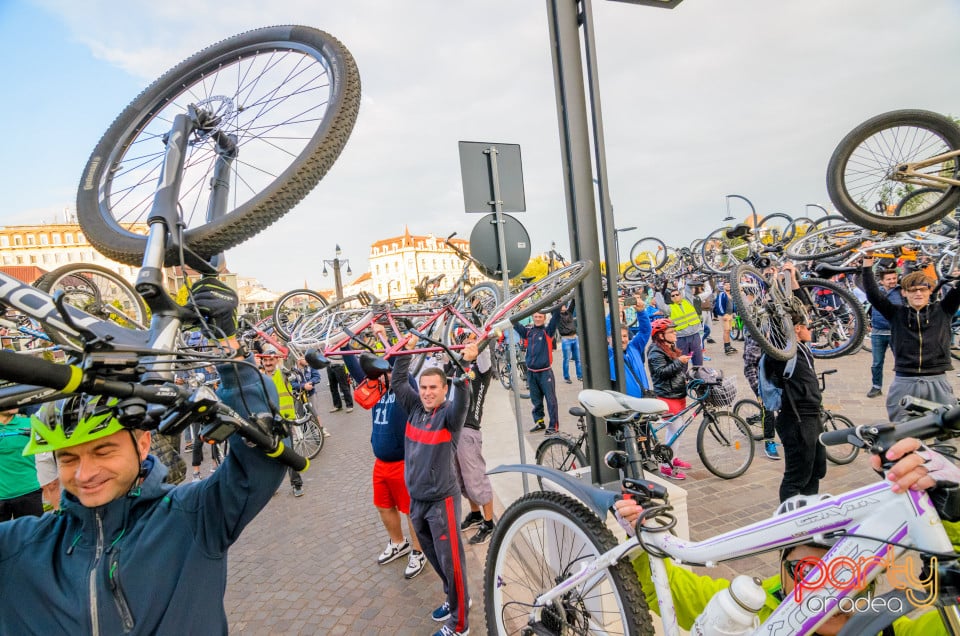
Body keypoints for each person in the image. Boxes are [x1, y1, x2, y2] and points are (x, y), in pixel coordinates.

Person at [0, 276, 292, 634]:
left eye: (102, 450)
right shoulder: (21, 545)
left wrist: (228, 344)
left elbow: (260, 462)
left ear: (141, 444)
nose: (84, 474)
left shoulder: (193, 516)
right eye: (69, 459)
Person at [613, 436, 959, 636]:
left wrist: (952, 511)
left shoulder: (893, 627)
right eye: (808, 572)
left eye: (845, 572)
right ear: (782, 571)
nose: (826, 592)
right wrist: (642, 546)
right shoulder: (750, 605)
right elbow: (671, 590)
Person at [392, 334, 475, 636]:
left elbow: (463, 390)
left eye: (433, 388)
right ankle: (456, 599)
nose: (426, 393)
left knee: (452, 563)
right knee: (435, 558)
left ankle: (460, 624)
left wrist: (465, 361)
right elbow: (399, 383)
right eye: (423, 387)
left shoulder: (450, 416)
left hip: (443, 502)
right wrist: (405, 350)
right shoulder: (415, 408)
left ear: (443, 390)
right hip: (418, 501)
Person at [343, 323, 426, 580]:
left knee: (410, 510)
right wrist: (345, 339)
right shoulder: (375, 388)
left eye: (386, 369)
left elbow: (401, 368)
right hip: (381, 462)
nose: (382, 374)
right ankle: (397, 542)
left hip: (404, 461)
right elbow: (353, 365)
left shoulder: (405, 387)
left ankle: (419, 551)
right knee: (383, 506)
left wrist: (399, 345)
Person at [862, 244, 960, 421]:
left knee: (945, 437)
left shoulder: (943, 310)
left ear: (930, 291)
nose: (918, 294)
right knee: (902, 433)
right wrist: (868, 258)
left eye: (923, 289)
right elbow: (872, 293)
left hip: (937, 380)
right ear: (904, 293)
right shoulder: (896, 313)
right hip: (905, 380)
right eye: (912, 290)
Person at [764, 304, 826, 503]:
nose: (811, 330)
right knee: (796, 476)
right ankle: (789, 522)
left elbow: (798, 310)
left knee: (816, 470)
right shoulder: (782, 353)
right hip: (796, 419)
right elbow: (780, 331)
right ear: (797, 329)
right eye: (807, 327)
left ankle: (810, 512)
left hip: (813, 417)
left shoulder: (802, 349)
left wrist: (792, 282)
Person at [449, 330, 498, 545]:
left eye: (473, 343)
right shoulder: (459, 367)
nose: (469, 346)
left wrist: (482, 335)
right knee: (462, 481)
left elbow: (484, 348)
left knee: (476, 479)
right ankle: (476, 514)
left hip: (468, 430)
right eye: (465, 343)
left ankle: (489, 523)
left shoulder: (482, 368)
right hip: (453, 430)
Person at [646, 318, 692, 480]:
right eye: (671, 332)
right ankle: (666, 466)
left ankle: (673, 457)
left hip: (677, 393)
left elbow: (674, 372)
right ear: (660, 336)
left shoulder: (667, 348)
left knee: (676, 431)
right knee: (675, 432)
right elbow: (661, 373)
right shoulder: (655, 352)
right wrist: (679, 362)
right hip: (667, 396)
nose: (675, 334)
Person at [259, 344, 305, 497]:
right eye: (265, 361)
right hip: (269, 423)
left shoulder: (284, 373)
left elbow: (292, 366)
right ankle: (273, 486)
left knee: (289, 454)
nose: (268, 363)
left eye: (271, 360)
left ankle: (297, 484)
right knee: (270, 455)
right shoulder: (260, 378)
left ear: (276, 361)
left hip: (284, 421)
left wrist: (279, 355)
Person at [513, 307, 562, 434]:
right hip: (531, 373)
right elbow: (515, 324)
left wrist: (556, 302)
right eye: (535, 316)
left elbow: (556, 317)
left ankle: (553, 426)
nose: (537, 318)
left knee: (551, 400)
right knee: (536, 400)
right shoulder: (529, 332)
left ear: (544, 318)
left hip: (545, 372)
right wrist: (511, 314)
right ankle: (539, 422)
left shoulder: (548, 331)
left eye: (540, 317)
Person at [866, 268, 903, 398]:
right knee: (877, 363)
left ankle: (901, 387)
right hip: (877, 332)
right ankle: (876, 387)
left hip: (896, 332)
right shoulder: (876, 292)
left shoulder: (902, 292)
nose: (892, 281)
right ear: (882, 281)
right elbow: (868, 308)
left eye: (894, 278)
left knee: (901, 361)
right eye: (889, 279)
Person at [0, 406, 42, 519]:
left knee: (34, 536)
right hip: (1, 497)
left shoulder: (31, 423)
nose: (14, 403)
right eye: (8, 400)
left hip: (29, 493)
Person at [609, 296, 654, 397]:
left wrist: (641, 311)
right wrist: (614, 313)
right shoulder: (607, 353)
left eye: (624, 336)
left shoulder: (634, 347)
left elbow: (645, 331)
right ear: (609, 338)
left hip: (643, 401)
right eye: (617, 336)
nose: (622, 339)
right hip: (625, 406)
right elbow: (603, 332)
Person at [666, 287, 704, 367]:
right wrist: (659, 291)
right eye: (673, 296)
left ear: (681, 295)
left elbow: (688, 289)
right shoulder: (669, 307)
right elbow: (660, 305)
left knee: (698, 361)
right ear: (670, 298)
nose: (675, 296)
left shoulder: (688, 301)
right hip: (681, 338)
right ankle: (683, 379)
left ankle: (698, 376)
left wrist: (688, 277)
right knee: (682, 362)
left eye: (677, 294)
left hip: (694, 335)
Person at [558, 299, 581, 384]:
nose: (564, 307)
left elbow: (573, 303)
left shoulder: (569, 312)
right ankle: (567, 377)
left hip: (575, 338)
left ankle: (580, 375)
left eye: (564, 305)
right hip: (566, 339)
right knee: (566, 359)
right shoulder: (557, 316)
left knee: (578, 359)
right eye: (562, 306)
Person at [713, 280, 738, 355]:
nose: (728, 286)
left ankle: (729, 345)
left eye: (729, 285)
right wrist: (723, 314)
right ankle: (726, 347)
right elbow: (719, 305)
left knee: (729, 331)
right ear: (723, 286)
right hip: (725, 315)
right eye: (726, 285)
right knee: (726, 331)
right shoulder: (722, 294)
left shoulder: (731, 294)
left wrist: (734, 312)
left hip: (730, 314)